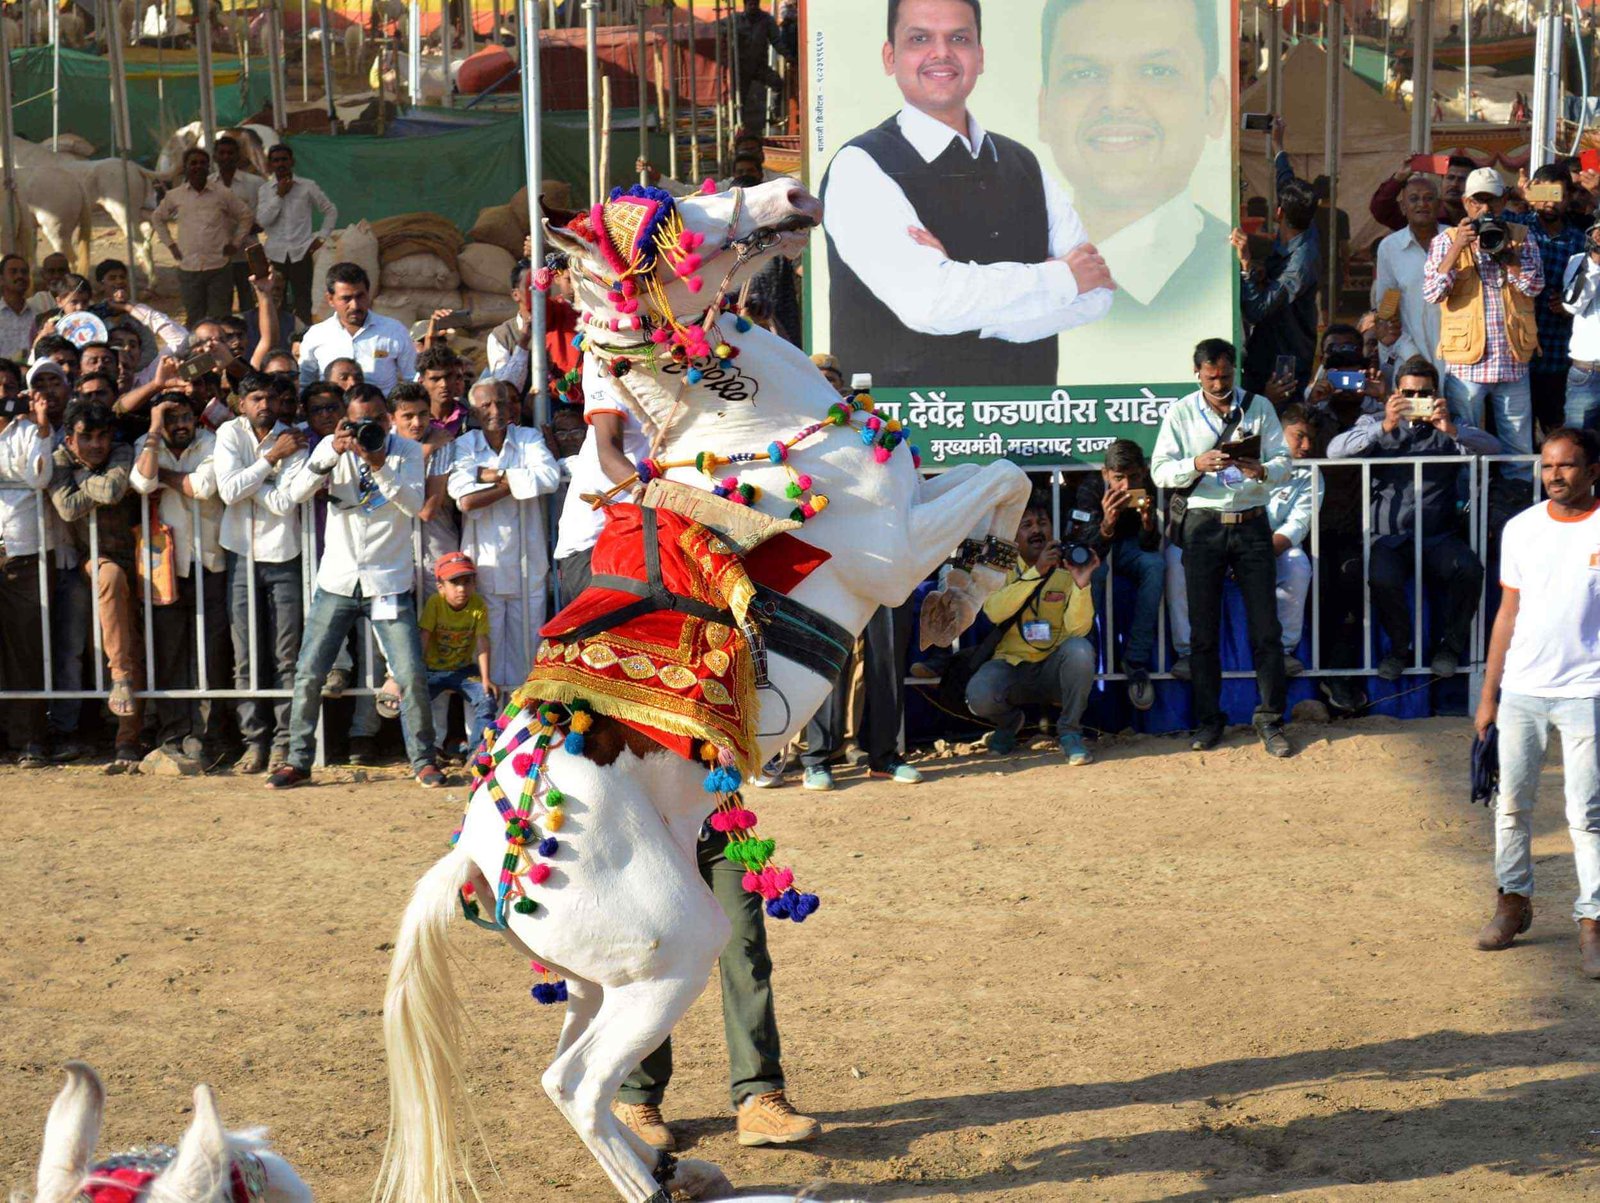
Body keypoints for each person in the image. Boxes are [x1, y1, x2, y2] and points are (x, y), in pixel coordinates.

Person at [819, 0, 1114, 388]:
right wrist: (1060, 279)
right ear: (890, 57)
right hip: (907, 433)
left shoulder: (1023, 163)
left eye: (959, 38)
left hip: (1028, 424)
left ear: (979, 56)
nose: (941, 53)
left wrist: (969, 303)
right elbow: (929, 302)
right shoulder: (860, 167)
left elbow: (1097, 292)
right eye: (919, 38)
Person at [1036, 0, 1231, 379]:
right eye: (1084, 73)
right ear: (1045, 110)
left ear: (1213, 104)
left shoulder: (1229, 273)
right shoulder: (1002, 265)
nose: (1117, 102)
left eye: (1157, 71)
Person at [268, 384, 440, 789]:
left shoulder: (407, 451)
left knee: (411, 673)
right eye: (360, 420)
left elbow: (416, 505)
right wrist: (332, 451)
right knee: (309, 672)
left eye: (377, 419)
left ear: (389, 418)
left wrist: (380, 463)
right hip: (339, 580)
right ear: (347, 419)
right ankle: (297, 761)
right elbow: (293, 494)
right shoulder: (332, 446)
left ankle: (424, 760)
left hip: (388, 581)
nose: (370, 427)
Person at [1474, 426, 1600, 976]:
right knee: (1510, 804)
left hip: (1588, 691)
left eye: (1567, 466)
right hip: (1522, 689)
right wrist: (1488, 696)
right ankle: (1512, 901)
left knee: (1587, 814)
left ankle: (1592, 921)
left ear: (1593, 471)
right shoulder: (1521, 529)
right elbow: (1507, 613)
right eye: (1548, 466)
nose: (1555, 476)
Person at [1151, 338, 1293, 757]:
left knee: (1266, 630)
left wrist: (1261, 468)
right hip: (1203, 526)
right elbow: (1159, 471)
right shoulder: (1179, 413)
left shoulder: (1259, 406)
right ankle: (1209, 721)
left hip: (1251, 524)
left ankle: (1270, 721)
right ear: (1197, 373)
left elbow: (1284, 463)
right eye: (1211, 377)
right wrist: (1195, 464)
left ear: (1235, 371)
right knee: (1203, 632)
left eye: (1225, 376)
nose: (1218, 384)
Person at [1328, 355, 1496, 680]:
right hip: (1388, 536)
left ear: (1436, 395)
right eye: (1409, 394)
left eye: (1424, 394)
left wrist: (1452, 430)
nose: (1416, 401)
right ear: (1396, 394)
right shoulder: (1375, 422)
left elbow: (1493, 446)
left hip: (1437, 536)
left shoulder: (1450, 427)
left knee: (1470, 570)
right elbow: (1335, 450)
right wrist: (1384, 426)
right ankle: (1399, 649)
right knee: (1381, 578)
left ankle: (1449, 648)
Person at [1166, 403, 1318, 681]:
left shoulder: (1310, 473)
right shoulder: (1239, 462)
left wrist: (1257, 552)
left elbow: (1298, 523)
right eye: (1298, 436)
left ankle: (1284, 651)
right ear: (1277, 436)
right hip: (1215, 538)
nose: (1306, 445)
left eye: (1311, 438)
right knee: (1176, 559)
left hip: (1265, 548)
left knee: (1298, 564)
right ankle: (1187, 654)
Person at [215, 372, 309, 773]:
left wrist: (252, 477)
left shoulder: (295, 439)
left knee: (286, 655)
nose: (264, 405)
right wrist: (269, 460)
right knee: (245, 657)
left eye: (270, 398)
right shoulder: (229, 434)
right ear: (241, 403)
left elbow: (285, 502)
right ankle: (255, 742)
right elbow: (228, 492)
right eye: (255, 398)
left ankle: (284, 744)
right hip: (240, 554)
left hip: (283, 554)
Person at [1422, 167, 1542, 478]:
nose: (1486, 209)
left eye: (1492, 200)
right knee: (1466, 447)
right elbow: (1433, 293)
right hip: (1467, 366)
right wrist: (1457, 248)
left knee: (1518, 449)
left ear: (1504, 201)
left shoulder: (1522, 237)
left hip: (1512, 361)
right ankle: (1468, 514)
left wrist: (1508, 257)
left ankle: (1515, 509)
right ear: (1465, 202)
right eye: (1478, 201)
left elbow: (1534, 287)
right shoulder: (1445, 240)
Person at [129, 390, 226, 771]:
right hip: (163, 569)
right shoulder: (147, 441)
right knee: (168, 654)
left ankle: (204, 736)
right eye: (170, 420)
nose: (180, 425)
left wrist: (163, 478)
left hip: (209, 562)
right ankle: (171, 735)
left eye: (185, 417)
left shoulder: (212, 441)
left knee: (209, 655)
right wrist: (154, 429)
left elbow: (203, 487)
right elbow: (140, 482)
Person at [964, 493, 1099, 764]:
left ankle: (1070, 731)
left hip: (1053, 668)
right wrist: (1036, 572)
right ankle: (1010, 723)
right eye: (1026, 525)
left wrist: (1082, 583)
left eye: (1042, 522)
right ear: (1013, 534)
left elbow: (1078, 629)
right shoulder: (1001, 566)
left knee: (1081, 651)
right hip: (1012, 665)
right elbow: (994, 611)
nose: (1037, 530)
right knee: (979, 695)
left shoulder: (1068, 565)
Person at [448, 381, 561, 693]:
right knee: (485, 655)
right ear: (474, 412)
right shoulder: (465, 444)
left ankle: (524, 733)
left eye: (500, 403)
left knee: (530, 655)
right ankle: (484, 734)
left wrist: (492, 476)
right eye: (486, 406)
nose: (495, 411)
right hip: (484, 566)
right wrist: (514, 480)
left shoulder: (528, 438)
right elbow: (462, 495)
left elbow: (549, 477)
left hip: (528, 565)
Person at [48, 399, 144, 763]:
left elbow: (113, 491)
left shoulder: (121, 449)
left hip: (143, 557)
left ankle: (128, 740)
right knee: (109, 578)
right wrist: (94, 484)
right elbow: (66, 508)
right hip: (95, 561)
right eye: (86, 438)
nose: (96, 445)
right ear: (70, 440)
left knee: (140, 640)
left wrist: (81, 482)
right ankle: (118, 680)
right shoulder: (59, 459)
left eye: (102, 436)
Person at [1073, 439, 1162, 709]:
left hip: (1130, 549)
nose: (1125, 486)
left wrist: (1148, 524)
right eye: (1118, 478)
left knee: (1155, 565)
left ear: (1143, 472)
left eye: (1133, 477)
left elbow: (1150, 546)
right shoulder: (1090, 490)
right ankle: (1087, 660)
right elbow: (1086, 548)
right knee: (1097, 573)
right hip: (1100, 548)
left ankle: (1135, 661)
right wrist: (1107, 524)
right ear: (1105, 475)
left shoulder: (1148, 487)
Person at [553, 360, 650, 601]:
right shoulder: (605, 357)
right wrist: (644, 490)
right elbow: (608, 453)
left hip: (643, 541)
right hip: (594, 547)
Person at [1507, 165, 1587, 435]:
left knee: (1558, 430)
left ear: (1569, 198)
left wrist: (1570, 307)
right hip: (1515, 353)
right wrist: (1518, 196)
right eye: (1542, 192)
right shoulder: (1515, 228)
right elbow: (1484, 216)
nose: (1549, 202)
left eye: (1557, 194)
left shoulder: (1580, 240)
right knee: (1516, 432)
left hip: (1558, 352)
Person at [0, 373, 54, 766]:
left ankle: (28, 739)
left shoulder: (28, 430)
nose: (2, 395)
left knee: (25, 650)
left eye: (7, 387)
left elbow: (40, 476)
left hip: (21, 554)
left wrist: (41, 426)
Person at [150, 147, 256, 328]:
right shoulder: (175, 195)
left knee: (221, 319)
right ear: (186, 167)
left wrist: (235, 242)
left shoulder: (222, 193)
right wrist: (170, 244)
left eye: (202, 163)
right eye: (193, 163)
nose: (198, 167)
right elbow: (157, 218)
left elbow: (246, 215)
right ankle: (197, 355)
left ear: (208, 166)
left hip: (219, 267)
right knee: (194, 320)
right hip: (189, 268)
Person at [1236, 174, 1320, 395]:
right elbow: (1287, 182)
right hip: (1264, 350)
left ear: (1279, 212)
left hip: (1282, 362)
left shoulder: (1299, 263)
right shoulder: (1305, 230)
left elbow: (1257, 310)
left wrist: (1245, 265)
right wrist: (1278, 148)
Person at [418, 551, 497, 759]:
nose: (462, 588)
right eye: (455, 583)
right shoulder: (435, 603)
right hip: (432, 670)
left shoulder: (477, 605)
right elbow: (424, 637)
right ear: (441, 587)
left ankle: (476, 752)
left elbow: (482, 641)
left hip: (462, 670)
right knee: (414, 702)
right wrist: (417, 674)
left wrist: (486, 678)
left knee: (486, 698)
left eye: (467, 582)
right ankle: (428, 751)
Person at [297, 263, 416, 395]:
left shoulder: (394, 331)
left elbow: (412, 378)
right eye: (346, 299)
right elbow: (305, 385)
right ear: (330, 299)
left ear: (368, 294)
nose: (354, 305)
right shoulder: (316, 335)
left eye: (360, 296)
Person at [1372, 173, 1447, 380]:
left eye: (1429, 198)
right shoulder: (1390, 247)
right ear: (1403, 207)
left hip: (1457, 360)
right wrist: (1410, 355)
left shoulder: (1455, 240)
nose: (1422, 204)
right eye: (1414, 199)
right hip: (1411, 360)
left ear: (1439, 205)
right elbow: (1387, 311)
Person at [256, 143, 337, 327]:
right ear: (270, 165)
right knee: (276, 300)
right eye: (276, 160)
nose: (280, 164)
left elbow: (330, 210)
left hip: (302, 251)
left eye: (284, 159)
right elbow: (263, 221)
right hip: (275, 254)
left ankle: (305, 338)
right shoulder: (265, 190)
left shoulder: (307, 186)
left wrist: (322, 237)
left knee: (304, 300)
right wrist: (279, 195)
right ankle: (280, 337)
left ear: (292, 161)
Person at [1561, 217, 1600, 429]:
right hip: (1589, 372)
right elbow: (1572, 305)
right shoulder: (1580, 261)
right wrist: (1595, 260)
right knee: (1579, 446)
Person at [1370, 153, 1474, 231]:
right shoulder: (1424, 214)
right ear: (1442, 181)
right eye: (1450, 178)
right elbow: (1381, 210)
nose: (1454, 184)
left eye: (1462, 179)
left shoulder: (1479, 217)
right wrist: (1399, 178)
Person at [733, 0, 789, 130]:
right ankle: (738, 124)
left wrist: (789, 56)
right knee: (739, 97)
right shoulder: (736, 19)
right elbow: (717, 29)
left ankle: (774, 114)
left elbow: (776, 41)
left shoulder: (766, 20)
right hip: (741, 67)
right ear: (745, 5)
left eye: (755, 4)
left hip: (759, 66)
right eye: (750, 4)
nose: (753, 7)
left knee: (777, 83)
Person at [0, 254, 37, 361]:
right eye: (13, 272)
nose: (20, 276)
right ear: (1, 279)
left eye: (24, 272)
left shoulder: (37, 315)